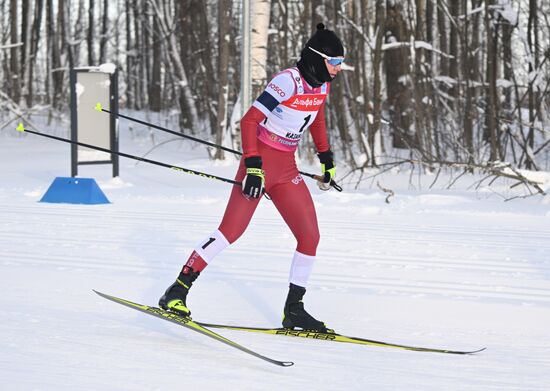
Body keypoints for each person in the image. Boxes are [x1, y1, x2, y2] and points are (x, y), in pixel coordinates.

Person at [159, 23, 344, 332]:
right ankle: (176, 291)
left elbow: (317, 119)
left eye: (341, 63)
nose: (338, 69)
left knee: (310, 236)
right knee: (230, 231)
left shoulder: (322, 86)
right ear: (316, 57)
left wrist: (327, 159)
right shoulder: (287, 82)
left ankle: (294, 310)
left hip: (285, 168)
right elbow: (249, 122)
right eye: (334, 62)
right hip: (258, 163)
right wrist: (254, 166)